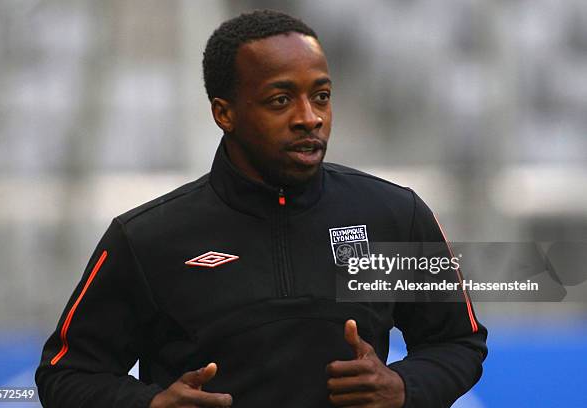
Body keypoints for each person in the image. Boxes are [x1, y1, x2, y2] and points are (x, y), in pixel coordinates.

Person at [36, 9, 487, 408]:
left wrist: (404, 387)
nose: (309, 117)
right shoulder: (146, 238)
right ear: (224, 113)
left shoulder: (394, 214)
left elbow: (459, 342)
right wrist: (150, 403)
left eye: (322, 96)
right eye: (280, 99)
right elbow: (65, 375)